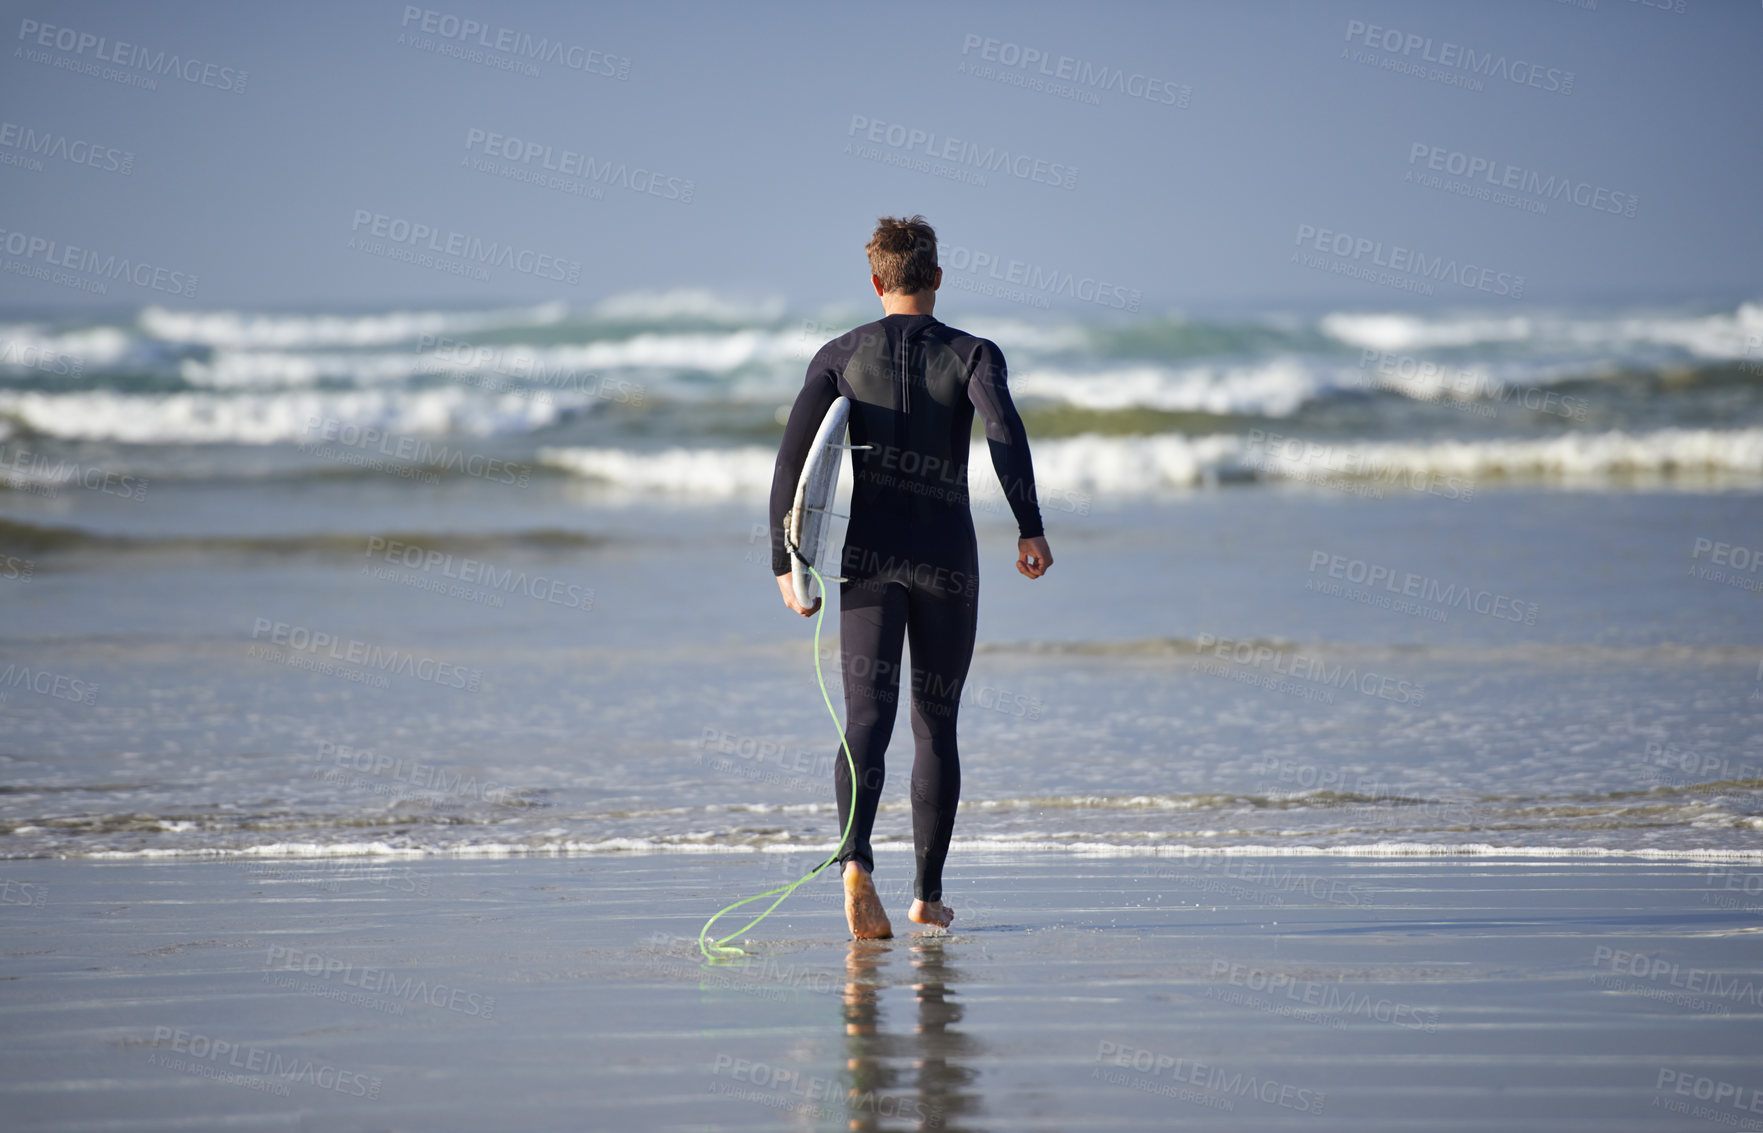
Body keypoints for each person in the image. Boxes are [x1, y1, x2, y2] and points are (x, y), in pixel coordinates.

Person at [768, 215, 1053, 939]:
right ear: (935, 276)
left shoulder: (838, 354)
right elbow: (1003, 433)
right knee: (936, 724)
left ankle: (856, 861)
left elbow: (792, 460)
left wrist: (784, 559)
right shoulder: (972, 353)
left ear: (874, 280)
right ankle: (926, 894)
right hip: (946, 557)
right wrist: (1029, 525)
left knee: (867, 717)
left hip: (867, 555)